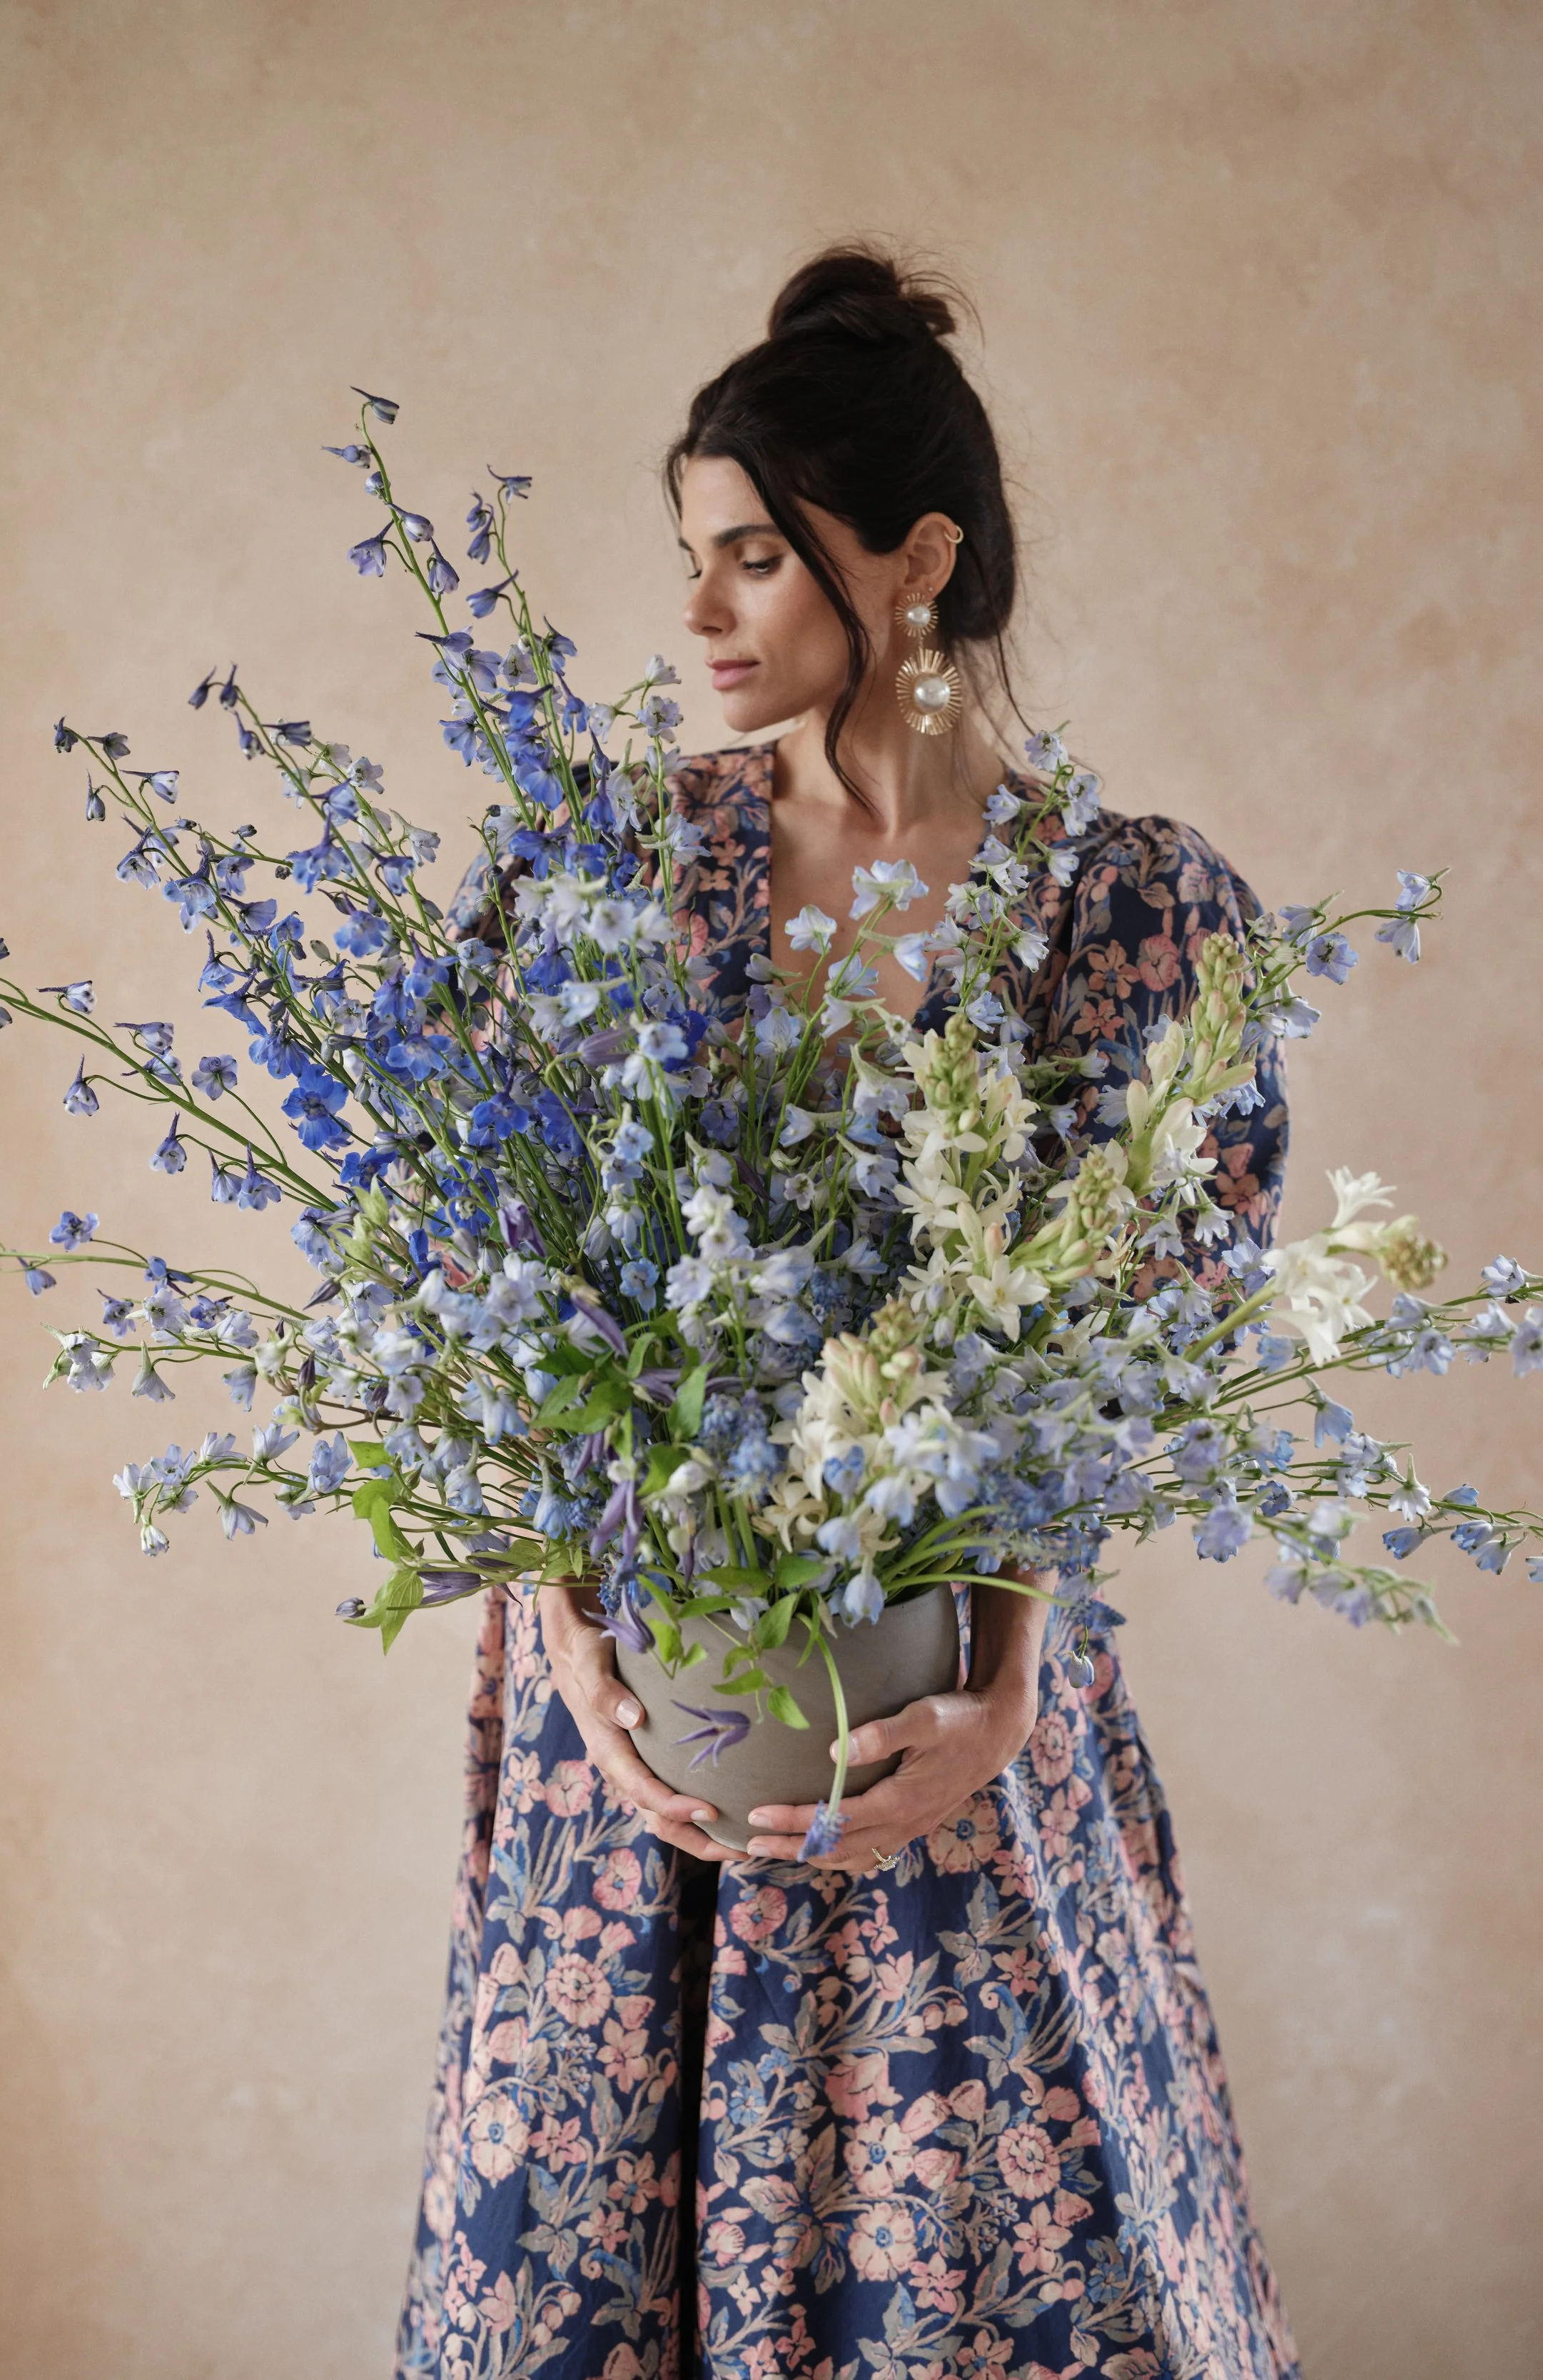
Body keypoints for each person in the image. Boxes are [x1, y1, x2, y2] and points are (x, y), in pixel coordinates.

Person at [395, 246, 1298, 2380]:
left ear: (914, 562)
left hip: (948, 1705)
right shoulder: (610, 871)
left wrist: (1003, 1675)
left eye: (748, 559)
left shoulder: (1120, 904)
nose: (698, 615)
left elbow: (1146, 1319)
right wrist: (555, 1629)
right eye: (686, 562)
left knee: (987, 2269)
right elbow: (476, 1267)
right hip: (641, 1740)